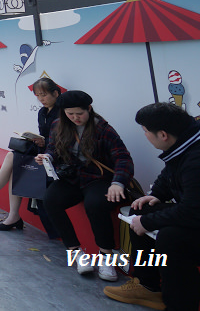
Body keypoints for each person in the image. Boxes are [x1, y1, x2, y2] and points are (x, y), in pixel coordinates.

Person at [103, 102, 200, 311]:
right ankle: (147, 285)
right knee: (139, 210)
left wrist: (148, 222)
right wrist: (156, 195)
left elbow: (194, 211)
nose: (145, 136)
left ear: (162, 135)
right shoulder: (186, 143)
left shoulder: (199, 160)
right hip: (199, 214)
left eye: (145, 131)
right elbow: (170, 173)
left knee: (172, 240)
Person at [35, 90, 133, 282]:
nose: (74, 118)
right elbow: (53, 148)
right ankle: (76, 253)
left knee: (95, 204)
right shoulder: (59, 124)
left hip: (98, 178)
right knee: (50, 200)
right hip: (72, 177)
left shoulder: (103, 129)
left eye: (79, 114)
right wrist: (47, 157)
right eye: (69, 114)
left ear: (89, 109)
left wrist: (118, 182)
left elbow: (123, 157)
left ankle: (106, 256)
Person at [0, 77, 61, 230]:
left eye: (44, 95)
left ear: (56, 93)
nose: (40, 99)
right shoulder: (42, 112)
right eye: (37, 96)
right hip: (44, 151)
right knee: (14, 158)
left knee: (14, 159)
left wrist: (46, 143)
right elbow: (45, 135)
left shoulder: (62, 113)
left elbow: (64, 141)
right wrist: (39, 140)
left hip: (56, 157)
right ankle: (11, 214)